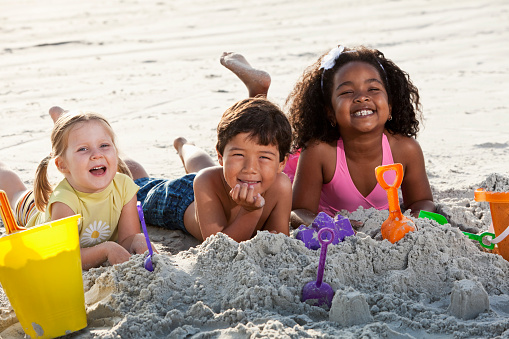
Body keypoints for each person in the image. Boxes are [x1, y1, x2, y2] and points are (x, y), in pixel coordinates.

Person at [284, 45, 435, 227]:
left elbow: (422, 201)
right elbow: (298, 212)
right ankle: (258, 90)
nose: (362, 97)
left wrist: (412, 221)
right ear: (330, 112)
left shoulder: (406, 149)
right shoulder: (319, 152)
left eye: (373, 89)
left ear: (390, 106)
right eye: (347, 92)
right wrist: (331, 225)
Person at [0, 108, 152, 270]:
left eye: (104, 145)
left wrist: (138, 240)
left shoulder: (124, 187)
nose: (97, 155)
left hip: (68, 194)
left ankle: (63, 117)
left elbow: (126, 239)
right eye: (83, 149)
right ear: (62, 164)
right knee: (17, 193)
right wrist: (107, 249)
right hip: (35, 213)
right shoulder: (64, 202)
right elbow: (65, 256)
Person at [135, 97, 292, 242]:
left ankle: (184, 146)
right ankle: (124, 159)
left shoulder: (281, 186)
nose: (250, 168)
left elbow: (278, 241)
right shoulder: (206, 181)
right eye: (239, 154)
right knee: (138, 188)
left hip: (220, 176)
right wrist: (251, 211)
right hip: (182, 198)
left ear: (281, 163)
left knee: (203, 166)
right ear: (220, 155)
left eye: (263, 157)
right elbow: (221, 247)